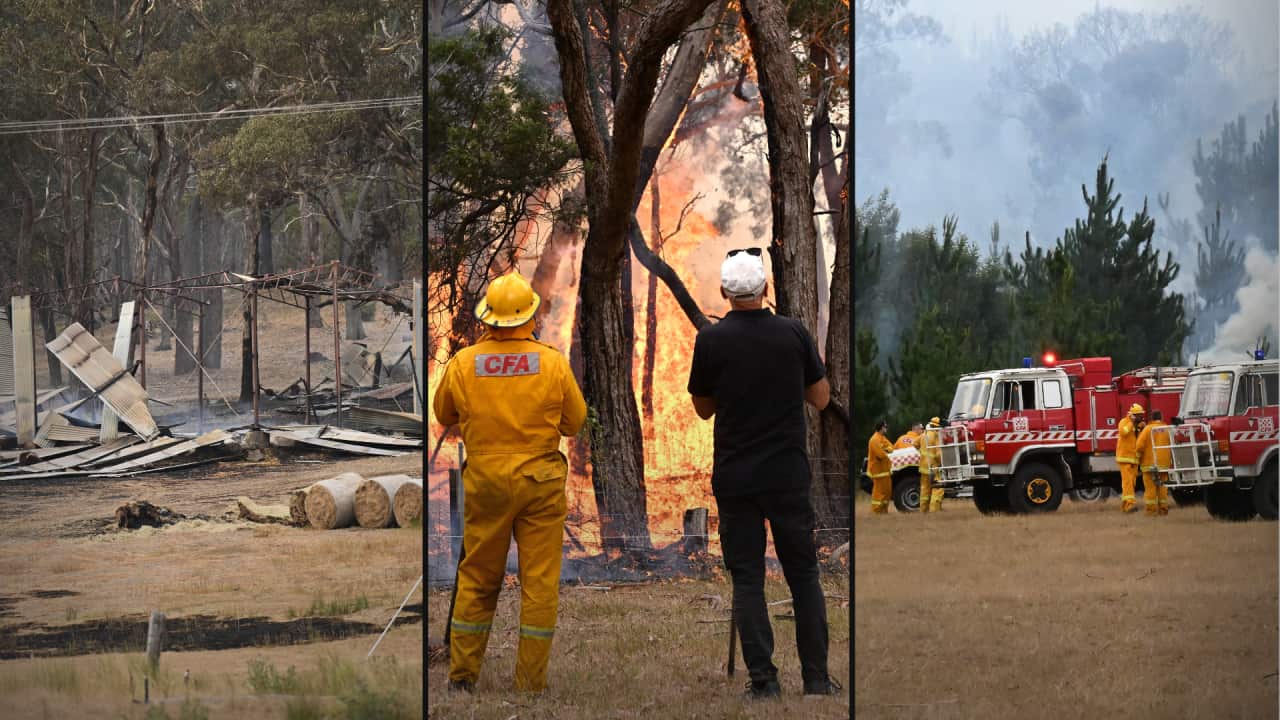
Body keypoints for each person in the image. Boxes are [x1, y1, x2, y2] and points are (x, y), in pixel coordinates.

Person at [686, 247, 839, 700]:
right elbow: (822, 398)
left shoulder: (710, 340)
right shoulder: (793, 333)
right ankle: (815, 680)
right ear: (766, 290)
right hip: (787, 476)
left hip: (736, 480)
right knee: (804, 574)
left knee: (748, 578)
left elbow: (702, 409)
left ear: (724, 293)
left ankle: (764, 683)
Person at [432, 271, 587, 693]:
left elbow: (444, 414)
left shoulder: (465, 363)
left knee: (479, 578)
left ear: (488, 320)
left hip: (487, 485)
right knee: (538, 584)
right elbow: (574, 423)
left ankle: (462, 677)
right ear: (529, 318)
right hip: (540, 482)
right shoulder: (552, 362)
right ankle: (530, 684)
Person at [1136, 409, 1171, 516]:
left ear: (1151, 418)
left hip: (1149, 465)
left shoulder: (1147, 429)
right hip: (1164, 465)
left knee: (1150, 489)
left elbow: (1139, 446)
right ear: (1161, 417)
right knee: (1163, 488)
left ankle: (1151, 512)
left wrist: (1137, 460)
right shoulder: (1167, 429)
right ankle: (1163, 510)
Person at [1116, 404, 1145, 513]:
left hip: (1134, 459)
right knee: (1127, 482)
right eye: (1139, 415)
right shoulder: (1124, 422)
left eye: (1142, 415)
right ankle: (1130, 505)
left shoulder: (1139, 425)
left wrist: (1142, 428)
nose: (1141, 417)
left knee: (1130, 483)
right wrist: (1132, 423)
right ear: (1133, 415)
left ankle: (1125, 506)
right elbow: (1123, 432)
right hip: (1125, 458)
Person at [867, 420, 894, 514]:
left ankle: (884, 512)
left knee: (887, 493)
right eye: (885, 426)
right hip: (878, 472)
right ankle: (876, 512)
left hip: (885, 471)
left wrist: (886, 449)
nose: (886, 428)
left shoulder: (882, 438)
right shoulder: (874, 439)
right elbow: (880, 455)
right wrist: (887, 451)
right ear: (881, 427)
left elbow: (891, 447)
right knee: (878, 494)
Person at [918, 417, 944, 513]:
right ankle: (934, 510)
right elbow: (938, 454)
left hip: (923, 467)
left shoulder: (923, 434)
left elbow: (914, 444)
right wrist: (942, 463)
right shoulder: (936, 436)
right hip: (933, 468)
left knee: (925, 490)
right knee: (938, 488)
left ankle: (923, 510)